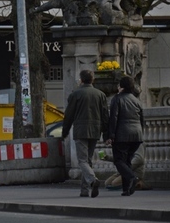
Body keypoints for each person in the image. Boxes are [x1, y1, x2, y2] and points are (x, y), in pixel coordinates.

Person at [61, 69, 109, 198]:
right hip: (95, 130)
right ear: (92, 80)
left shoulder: (75, 94)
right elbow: (105, 116)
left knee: (82, 160)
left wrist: (64, 131)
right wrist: (107, 134)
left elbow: (69, 115)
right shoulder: (100, 94)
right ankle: (84, 190)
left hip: (80, 130)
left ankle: (92, 180)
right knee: (88, 160)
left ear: (81, 80)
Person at [106, 75, 145, 196]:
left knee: (119, 161)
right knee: (127, 161)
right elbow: (142, 119)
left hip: (122, 135)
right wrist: (140, 133)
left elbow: (113, 118)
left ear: (121, 87)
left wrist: (110, 135)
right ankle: (126, 189)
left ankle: (131, 177)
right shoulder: (136, 100)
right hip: (136, 135)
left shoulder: (117, 99)